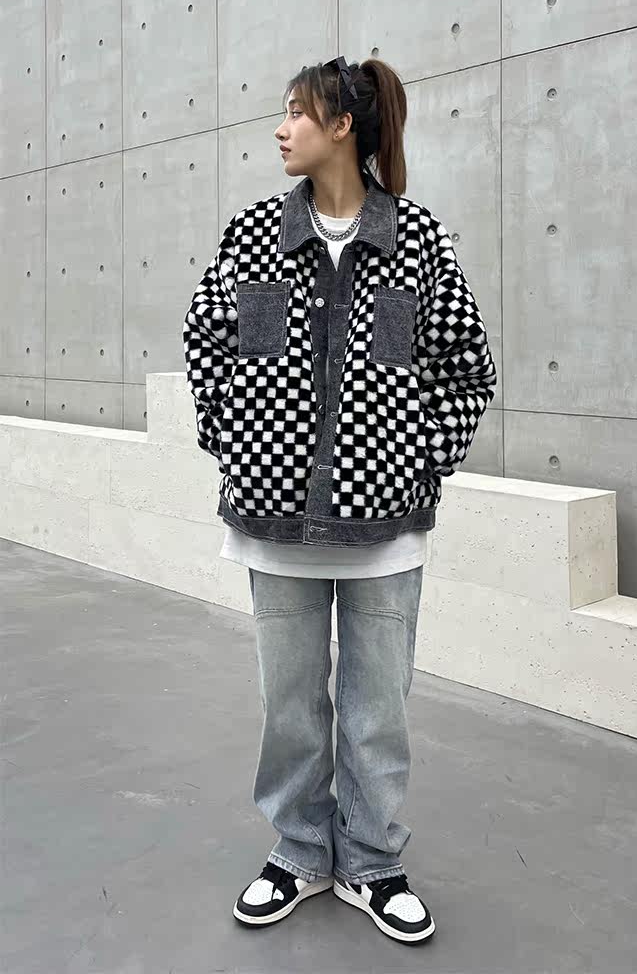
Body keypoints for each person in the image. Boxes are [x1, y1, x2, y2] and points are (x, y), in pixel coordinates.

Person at [182, 55, 497, 945]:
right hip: (274, 521)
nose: (281, 128)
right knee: (290, 706)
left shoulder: (418, 242)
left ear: (342, 125)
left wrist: (418, 464)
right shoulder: (254, 235)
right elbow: (206, 343)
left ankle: (371, 862)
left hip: (385, 529)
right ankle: (298, 852)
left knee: (376, 711)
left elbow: (466, 369)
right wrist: (238, 443)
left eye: (296, 112)